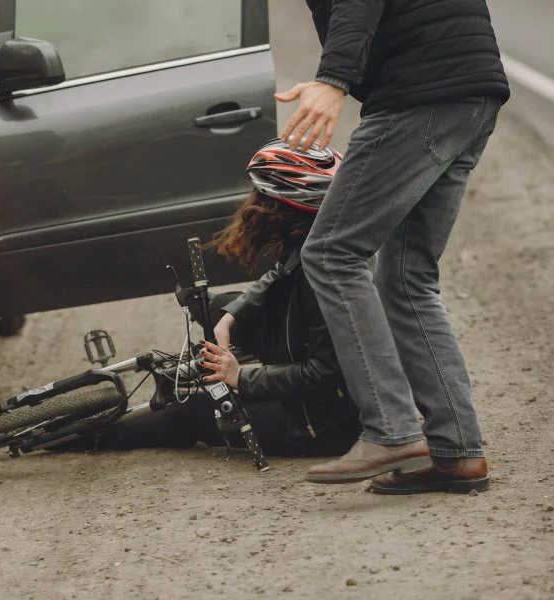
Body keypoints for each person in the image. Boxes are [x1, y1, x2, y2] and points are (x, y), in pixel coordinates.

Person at [276, 0, 510, 493]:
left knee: (332, 252)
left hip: (420, 98)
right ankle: (458, 451)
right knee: (406, 278)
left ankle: (392, 428)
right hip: (468, 95)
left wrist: (333, 79)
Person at [86, 140, 361, 458]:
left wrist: (240, 377)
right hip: (307, 365)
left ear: (287, 205)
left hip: (322, 424)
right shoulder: (316, 239)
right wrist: (230, 316)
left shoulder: (326, 279)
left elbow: (324, 375)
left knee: (191, 413)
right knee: (213, 308)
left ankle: (91, 438)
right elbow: (278, 278)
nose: (252, 204)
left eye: (262, 195)